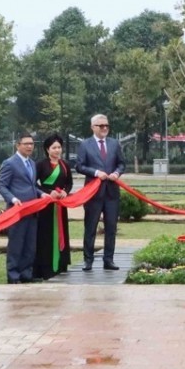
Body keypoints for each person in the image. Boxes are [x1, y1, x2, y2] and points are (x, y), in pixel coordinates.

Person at [76, 114, 127, 271]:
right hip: (93, 194)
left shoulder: (114, 144)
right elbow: (79, 166)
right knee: (90, 227)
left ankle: (108, 260)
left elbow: (122, 163)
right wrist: (96, 172)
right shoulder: (85, 145)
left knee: (111, 227)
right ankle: (88, 260)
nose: (105, 128)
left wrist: (117, 173)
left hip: (112, 193)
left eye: (107, 125)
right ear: (93, 127)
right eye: (101, 125)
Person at [0, 133, 45, 284]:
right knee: (16, 245)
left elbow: (32, 186)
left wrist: (42, 194)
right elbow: (2, 186)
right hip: (17, 211)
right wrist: (13, 199)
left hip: (32, 211)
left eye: (31, 144)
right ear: (17, 145)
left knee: (30, 245)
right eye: (26, 144)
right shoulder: (9, 163)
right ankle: (13, 276)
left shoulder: (32, 163)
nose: (30, 146)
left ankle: (26, 274)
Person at [35, 133, 74, 280]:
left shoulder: (65, 165)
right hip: (46, 205)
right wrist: (47, 192)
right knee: (45, 235)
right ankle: (46, 268)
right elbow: (34, 183)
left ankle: (61, 265)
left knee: (61, 233)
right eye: (54, 147)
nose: (57, 150)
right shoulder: (41, 164)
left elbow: (69, 183)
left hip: (60, 205)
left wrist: (65, 191)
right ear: (47, 149)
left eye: (59, 147)